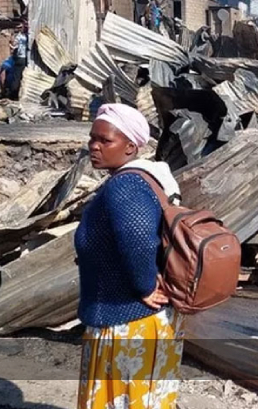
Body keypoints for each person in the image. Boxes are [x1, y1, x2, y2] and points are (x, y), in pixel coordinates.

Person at [77, 104, 185, 409]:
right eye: (91, 138)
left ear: (130, 147)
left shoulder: (126, 186)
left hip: (127, 319)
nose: (94, 147)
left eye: (104, 140)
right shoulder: (147, 179)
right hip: (134, 317)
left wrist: (145, 286)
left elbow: (138, 238)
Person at [8, 21, 30, 99]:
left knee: (16, 77)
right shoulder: (29, 36)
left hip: (20, 58)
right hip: (27, 60)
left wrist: (11, 45)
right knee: (24, 77)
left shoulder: (19, 36)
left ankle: (14, 94)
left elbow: (14, 46)